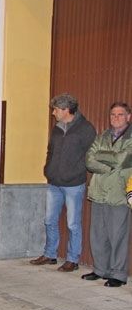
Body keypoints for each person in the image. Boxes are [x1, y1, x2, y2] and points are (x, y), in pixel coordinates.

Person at [30, 94, 96, 272]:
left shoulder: (86, 128)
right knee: (49, 220)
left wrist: (76, 171)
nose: (53, 113)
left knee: (73, 224)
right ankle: (50, 254)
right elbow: (50, 151)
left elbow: (91, 156)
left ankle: (72, 260)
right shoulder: (57, 128)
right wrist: (48, 170)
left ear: (66, 110)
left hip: (74, 184)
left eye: (56, 109)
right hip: (54, 182)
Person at [80, 102, 132, 287]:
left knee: (118, 236)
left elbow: (121, 160)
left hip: (118, 193)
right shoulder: (102, 136)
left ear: (128, 117)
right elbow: (89, 159)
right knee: (98, 234)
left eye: (120, 114)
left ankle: (118, 274)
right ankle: (100, 269)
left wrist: (101, 157)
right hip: (98, 191)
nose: (115, 118)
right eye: (112, 115)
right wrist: (108, 164)